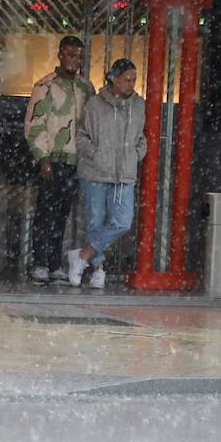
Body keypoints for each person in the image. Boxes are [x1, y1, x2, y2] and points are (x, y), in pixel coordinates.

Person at [67, 59, 147, 289]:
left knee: (122, 222)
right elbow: (81, 136)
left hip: (124, 173)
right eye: (127, 79)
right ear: (114, 78)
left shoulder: (138, 105)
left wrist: (136, 153)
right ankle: (98, 269)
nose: (131, 84)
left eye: (134, 80)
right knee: (95, 220)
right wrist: (96, 154)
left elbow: (141, 136)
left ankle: (82, 256)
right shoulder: (95, 104)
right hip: (95, 172)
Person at [24, 35, 94, 285]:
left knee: (62, 214)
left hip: (75, 161)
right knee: (45, 212)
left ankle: (54, 264)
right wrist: (42, 157)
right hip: (52, 159)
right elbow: (34, 124)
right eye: (69, 54)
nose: (74, 60)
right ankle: (39, 263)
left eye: (77, 55)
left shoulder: (86, 88)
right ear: (60, 55)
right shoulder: (45, 86)